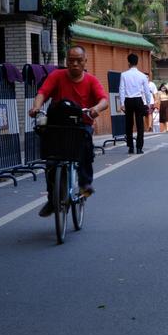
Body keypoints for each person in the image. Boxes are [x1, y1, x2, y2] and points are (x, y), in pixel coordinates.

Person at [29, 45, 108, 217]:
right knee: (51, 162)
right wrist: (36, 107)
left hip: (81, 125)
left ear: (85, 62)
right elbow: (43, 92)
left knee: (85, 147)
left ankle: (85, 184)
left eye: (79, 61)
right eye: (71, 61)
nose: (75, 64)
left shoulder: (91, 81)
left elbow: (104, 100)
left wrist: (96, 108)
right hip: (58, 125)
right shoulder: (57, 76)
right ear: (66, 62)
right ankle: (53, 199)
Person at [119, 53, 153, 154]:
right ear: (137, 63)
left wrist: (122, 103)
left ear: (128, 62)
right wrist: (148, 103)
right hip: (139, 100)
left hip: (128, 100)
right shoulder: (142, 76)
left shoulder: (124, 75)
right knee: (140, 124)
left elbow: (121, 89)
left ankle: (130, 146)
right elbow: (147, 91)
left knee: (129, 124)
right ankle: (139, 147)